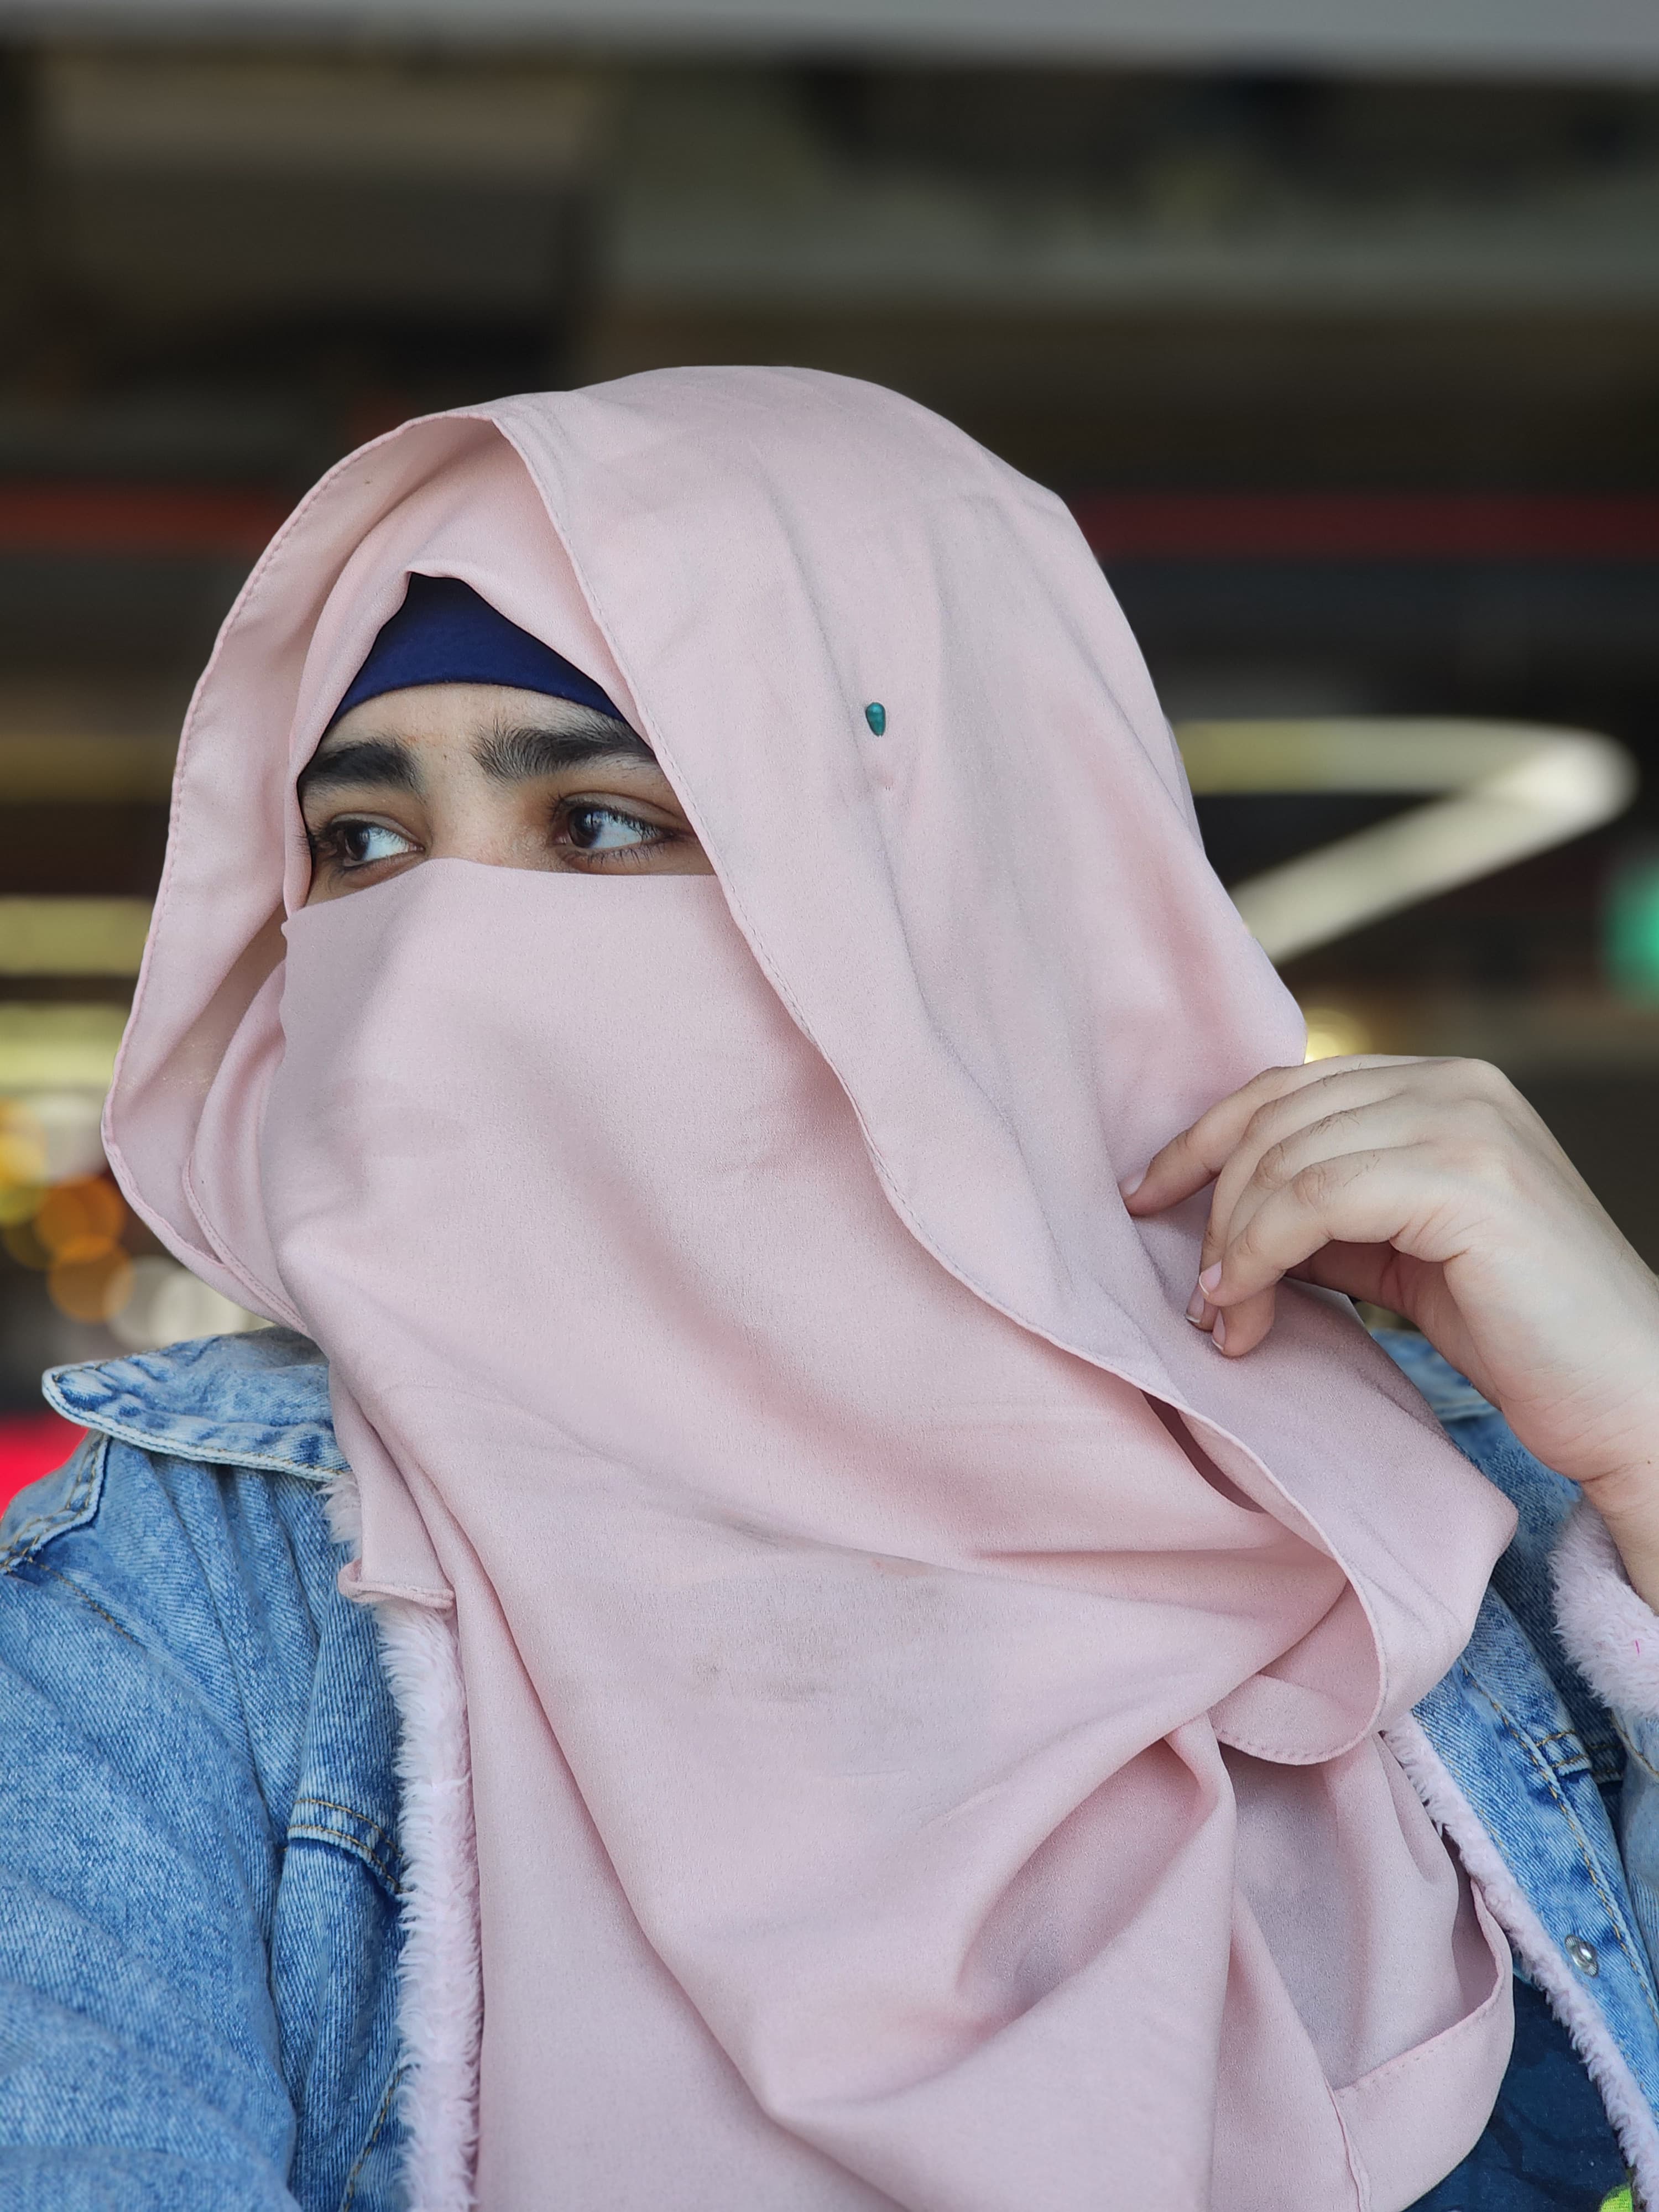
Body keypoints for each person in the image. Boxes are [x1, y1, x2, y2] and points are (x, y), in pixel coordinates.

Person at [1, 370, 1657, 2212]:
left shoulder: (1446, 1535)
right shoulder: (175, 1602)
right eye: (363, 847)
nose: (435, 958)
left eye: (602, 824)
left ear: (956, 891)